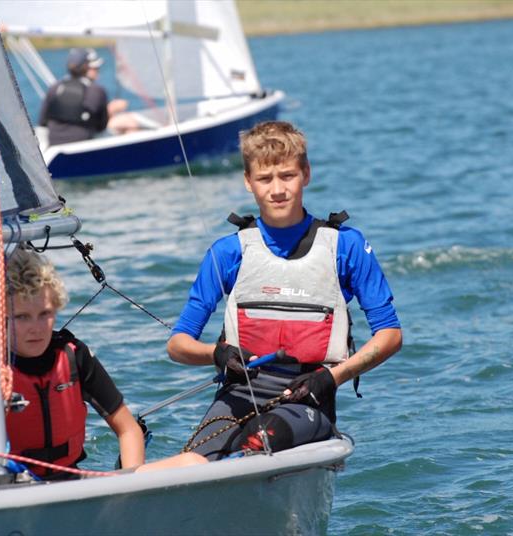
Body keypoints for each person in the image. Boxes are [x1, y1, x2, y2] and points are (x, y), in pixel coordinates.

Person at [166, 120, 402, 460]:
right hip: (237, 396)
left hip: (308, 399)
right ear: (248, 182)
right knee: (188, 462)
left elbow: (390, 335)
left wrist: (332, 378)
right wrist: (216, 354)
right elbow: (177, 345)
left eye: (287, 176)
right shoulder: (227, 252)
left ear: (306, 174)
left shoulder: (345, 247)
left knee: (262, 437)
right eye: (264, 179)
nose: (277, 189)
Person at [0, 247, 205, 479]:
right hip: (6, 489)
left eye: (45, 314)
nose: (36, 328)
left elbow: (129, 430)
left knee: (194, 464)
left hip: (71, 482)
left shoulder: (74, 356)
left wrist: (128, 491)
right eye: (22, 317)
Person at [38, 48, 138, 146]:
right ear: (87, 68)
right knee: (130, 123)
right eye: (95, 68)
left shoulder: (54, 88)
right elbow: (101, 127)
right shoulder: (97, 91)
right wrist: (111, 110)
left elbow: (43, 122)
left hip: (54, 143)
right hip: (83, 144)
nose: (98, 71)